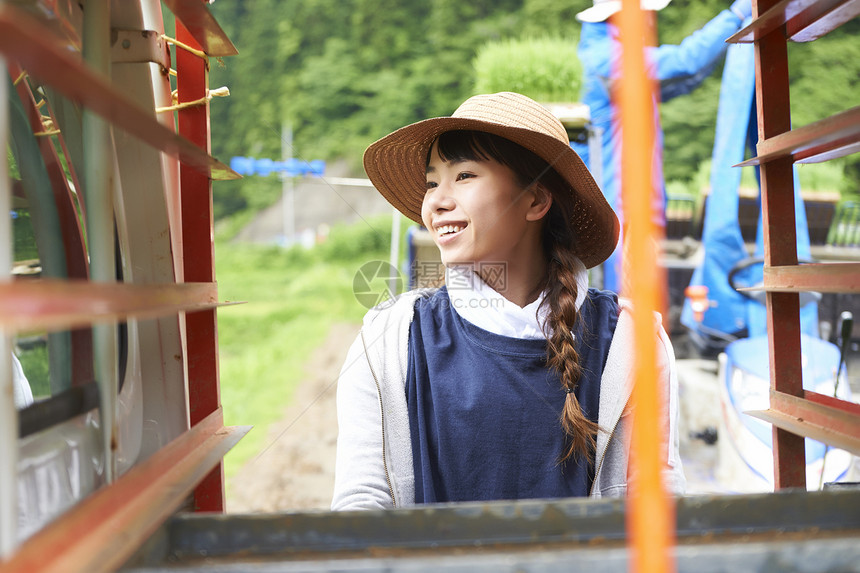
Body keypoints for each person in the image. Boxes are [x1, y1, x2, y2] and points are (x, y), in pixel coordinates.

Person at [331, 92, 684, 510]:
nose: (437, 202)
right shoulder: (390, 339)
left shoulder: (629, 342)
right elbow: (362, 504)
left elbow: (655, 506)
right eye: (431, 182)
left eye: (464, 176)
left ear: (535, 200)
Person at [573, 0, 753, 293]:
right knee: (623, 307)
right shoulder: (606, 59)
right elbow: (685, 61)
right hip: (619, 208)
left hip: (631, 205)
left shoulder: (615, 60)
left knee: (635, 304)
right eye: (645, 14)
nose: (649, 21)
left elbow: (687, 77)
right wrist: (734, 16)